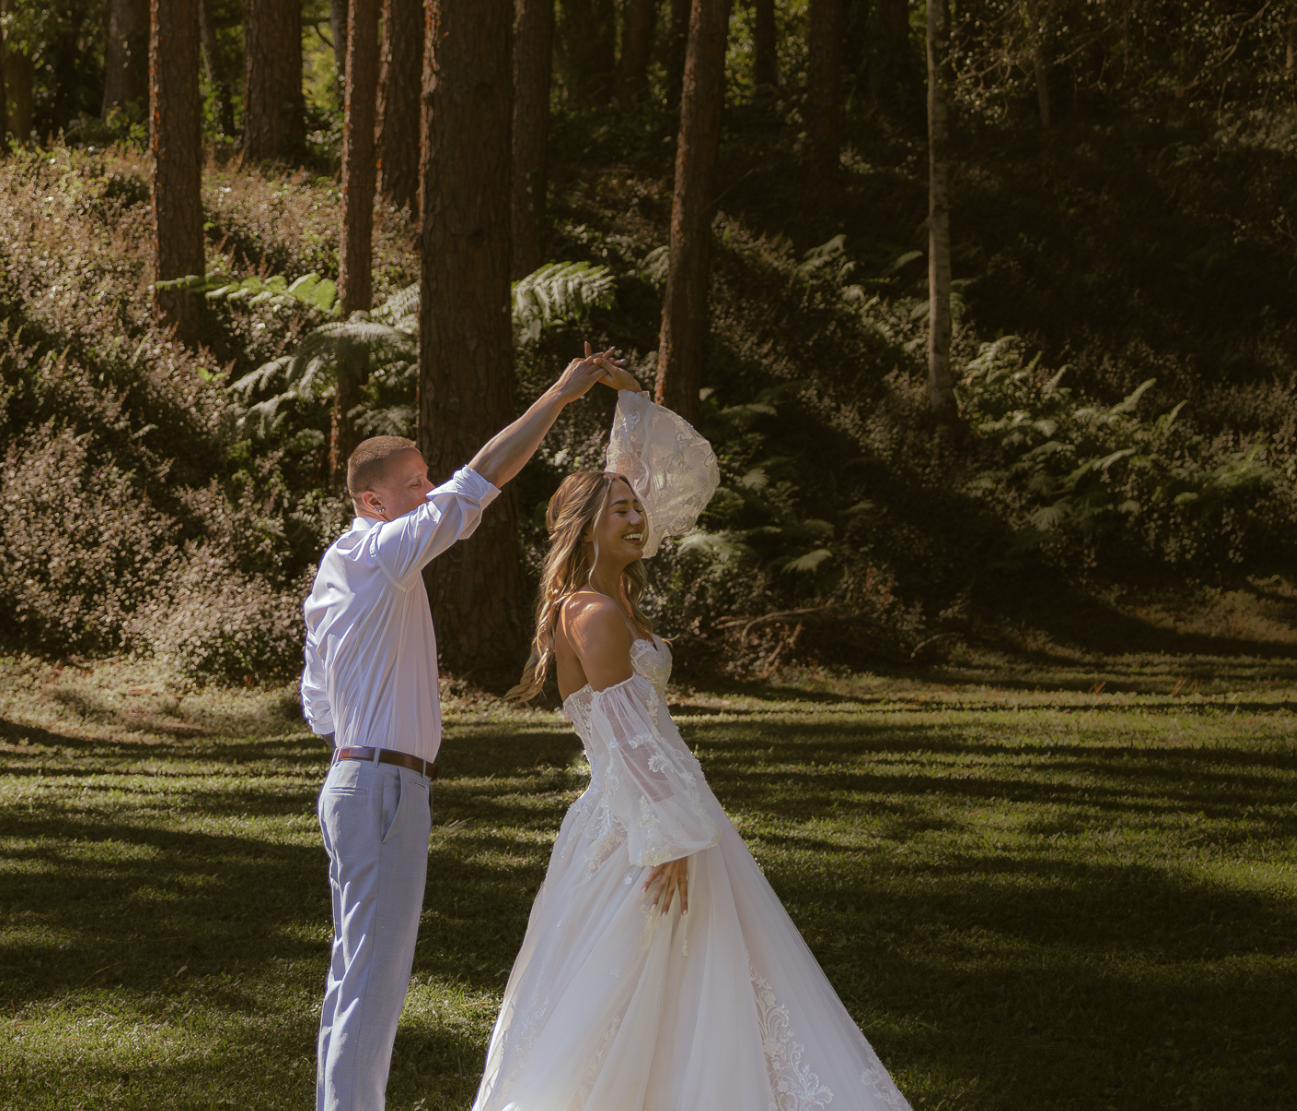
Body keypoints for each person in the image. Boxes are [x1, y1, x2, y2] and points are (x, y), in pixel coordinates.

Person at [470, 367, 912, 1111]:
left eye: (638, 509)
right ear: (583, 527)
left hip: (668, 804)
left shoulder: (608, 603)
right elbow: (621, 735)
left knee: (700, 972)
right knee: (633, 975)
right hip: (642, 819)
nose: (637, 521)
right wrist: (669, 834)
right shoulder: (594, 614)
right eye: (619, 511)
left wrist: (631, 401)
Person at [302, 349, 629, 1111]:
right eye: (412, 485)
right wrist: (558, 394)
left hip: (355, 779)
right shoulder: (382, 553)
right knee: (373, 981)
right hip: (381, 785)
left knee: (355, 973)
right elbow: (483, 477)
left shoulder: (339, 568)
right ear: (372, 501)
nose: (427, 492)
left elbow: (318, 704)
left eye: (425, 478)